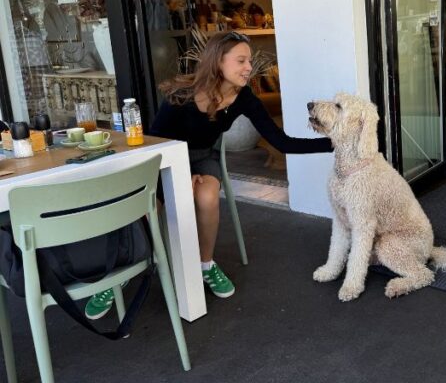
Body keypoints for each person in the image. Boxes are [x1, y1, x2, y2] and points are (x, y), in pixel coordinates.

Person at [84, 31, 333, 319]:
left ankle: (206, 264)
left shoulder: (244, 98)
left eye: (249, 61)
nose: (249, 67)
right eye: (241, 60)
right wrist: (180, 173)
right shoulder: (182, 95)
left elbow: (281, 142)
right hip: (163, 158)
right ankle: (116, 273)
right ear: (218, 62)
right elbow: (155, 141)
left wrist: (334, 144)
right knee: (144, 207)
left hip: (203, 157)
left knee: (207, 196)